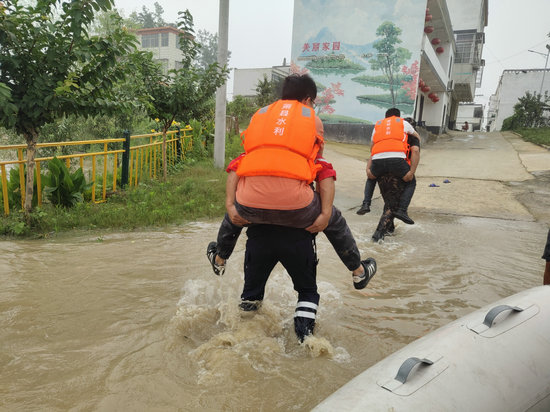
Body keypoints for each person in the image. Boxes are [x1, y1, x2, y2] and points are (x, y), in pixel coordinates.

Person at [206, 73, 376, 290]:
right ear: (307, 99)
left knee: (236, 212)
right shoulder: (312, 119)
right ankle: (358, 272)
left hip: (250, 205)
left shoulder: (260, 115)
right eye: (313, 102)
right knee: (335, 218)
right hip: (297, 208)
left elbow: (237, 166)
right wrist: (324, 215)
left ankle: (220, 260)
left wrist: (230, 205)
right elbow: (320, 167)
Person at [239, 224, 320, 343]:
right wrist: (355, 267)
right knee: (307, 292)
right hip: (298, 241)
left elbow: (234, 217)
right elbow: (336, 226)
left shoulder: (253, 204)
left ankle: (245, 338)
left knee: (251, 295)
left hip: (259, 240)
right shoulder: (315, 204)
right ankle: (305, 339)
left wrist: (221, 254)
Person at [356, 108, 420, 225]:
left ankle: (366, 203)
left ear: (386, 117)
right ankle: (402, 210)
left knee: (371, 178)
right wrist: (411, 172)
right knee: (411, 182)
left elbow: (372, 148)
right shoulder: (403, 123)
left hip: (377, 161)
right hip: (397, 162)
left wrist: (368, 169)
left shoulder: (378, 125)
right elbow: (415, 147)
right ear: (398, 116)